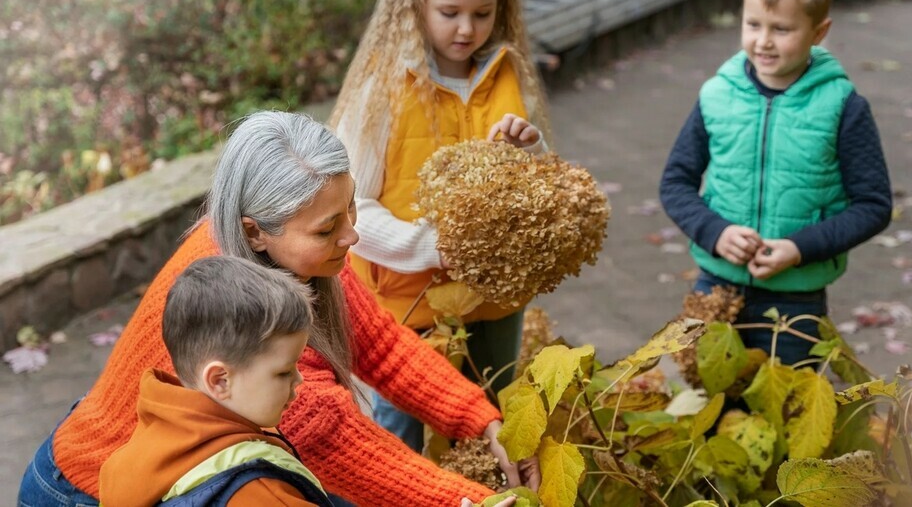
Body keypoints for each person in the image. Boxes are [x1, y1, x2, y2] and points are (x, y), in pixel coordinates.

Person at [19, 111, 533, 507]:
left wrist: (481, 422)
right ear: (253, 231)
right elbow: (338, 442)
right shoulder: (242, 315)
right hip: (82, 491)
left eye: (349, 206)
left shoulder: (297, 260)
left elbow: (381, 347)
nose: (352, 234)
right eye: (326, 228)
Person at [327, 0, 552, 452]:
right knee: (398, 437)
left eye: (483, 13)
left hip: (494, 302)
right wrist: (430, 248)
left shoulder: (508, 76)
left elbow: (543, 197)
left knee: (491, 421)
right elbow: (346, 204)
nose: (467, 30)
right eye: (449, 13)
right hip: (406, 306)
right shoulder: (382, 90)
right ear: (416, 3)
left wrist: (530, 149)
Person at [659, 0, 892, 366]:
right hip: (716, 286)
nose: (763, 41)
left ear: (819, 32)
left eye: (781, 29)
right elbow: (675, 182)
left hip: (795, 301)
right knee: (712, 407)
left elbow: (873, 206)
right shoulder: (717, 95)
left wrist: (798, 248)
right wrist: (715, 232)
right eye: (753, 24)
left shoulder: (842, 105)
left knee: (787, 411)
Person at [99, 256, 333, 505]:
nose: (299, 379)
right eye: (284, 372)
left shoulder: (157, 435)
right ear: (220, 380)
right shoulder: (261, 494)